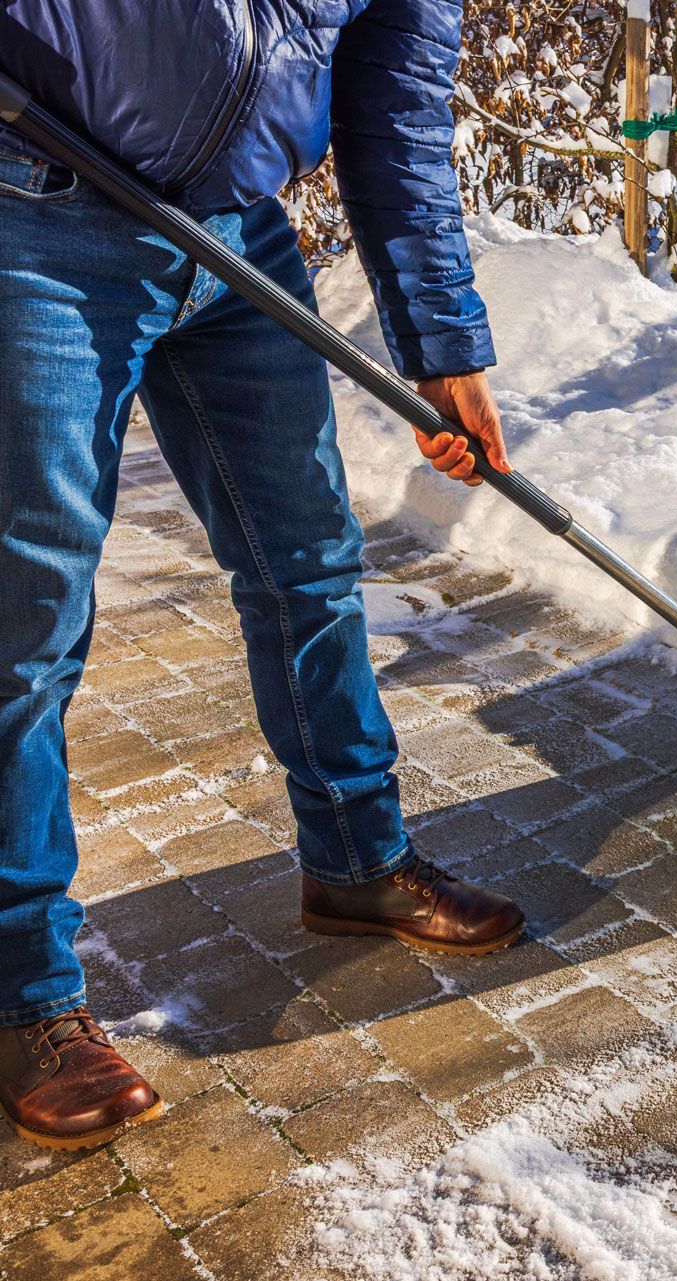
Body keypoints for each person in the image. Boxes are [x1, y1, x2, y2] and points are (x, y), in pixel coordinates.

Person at [0, 0, 527, 1151]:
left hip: (236, 240)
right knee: (24, 629)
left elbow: (392, 121)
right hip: (35, 211)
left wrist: (445, 350)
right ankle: (23, 992)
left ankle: (357, 859)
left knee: (310, 567)